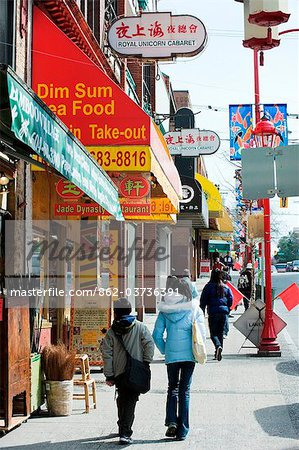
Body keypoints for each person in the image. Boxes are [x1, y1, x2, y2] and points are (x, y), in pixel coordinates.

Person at [153, 277, 206, 441]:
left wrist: (165, 349)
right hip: (189, 355)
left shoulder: (165, 310)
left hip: (172, 355)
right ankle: (182, 430)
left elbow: (156, 334)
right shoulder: (194, 309)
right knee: (185, 390)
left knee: (172, 388)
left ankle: (171, 422)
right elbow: (201, 335)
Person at [101, 297, 154, 445]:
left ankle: (122, 427)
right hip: (135, 371)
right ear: (130, 311)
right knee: (130, 400)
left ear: (115, 313)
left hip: (119, 373)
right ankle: (125, 432)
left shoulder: (112, 332)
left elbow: (107, 354)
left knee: (123, 398)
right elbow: (149, 344)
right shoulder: (140, 327)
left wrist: (109, 374)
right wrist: (145, 362)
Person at [200, 269, 233, 361]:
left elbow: (203, 300)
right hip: (223, 313)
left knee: (213, 333)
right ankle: (218, 351)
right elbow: (231, 299)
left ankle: (217, 346)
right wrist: (228, 308)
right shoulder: (225, 287)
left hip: (213, 312)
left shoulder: (208, 287)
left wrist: (202, 311)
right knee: (220, 333)